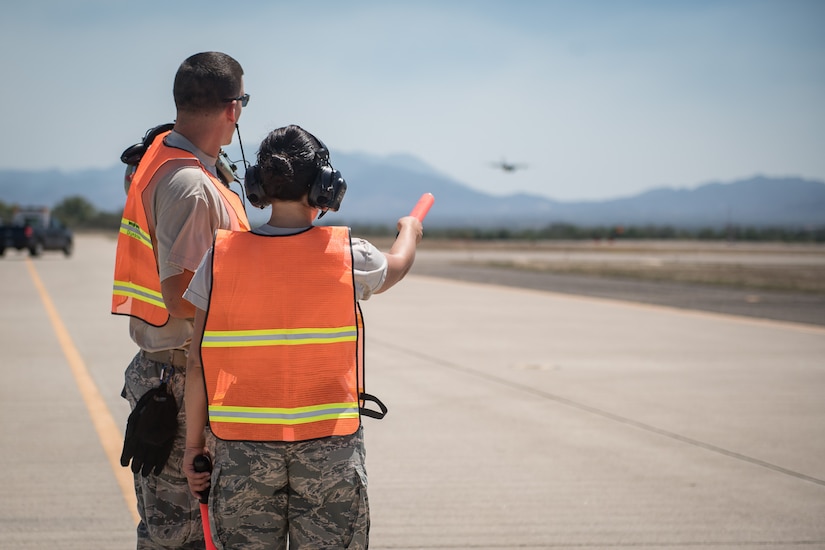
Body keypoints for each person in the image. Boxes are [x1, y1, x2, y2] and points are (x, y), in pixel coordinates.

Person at [182, 124, 423, 549]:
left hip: (241, 449)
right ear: (326, 187)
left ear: (258, 186)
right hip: (327, 449)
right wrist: (410, 231)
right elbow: (397, 265)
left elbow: (196, 361)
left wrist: (193, 447)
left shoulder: (219, 259)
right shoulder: (347, 254)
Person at [112, 51, 251, 549]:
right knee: (183, 535)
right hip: (181, 379)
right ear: (233, 109)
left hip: (173, 372)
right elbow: (179, 293)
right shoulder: (191, 185)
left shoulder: (170, 163)